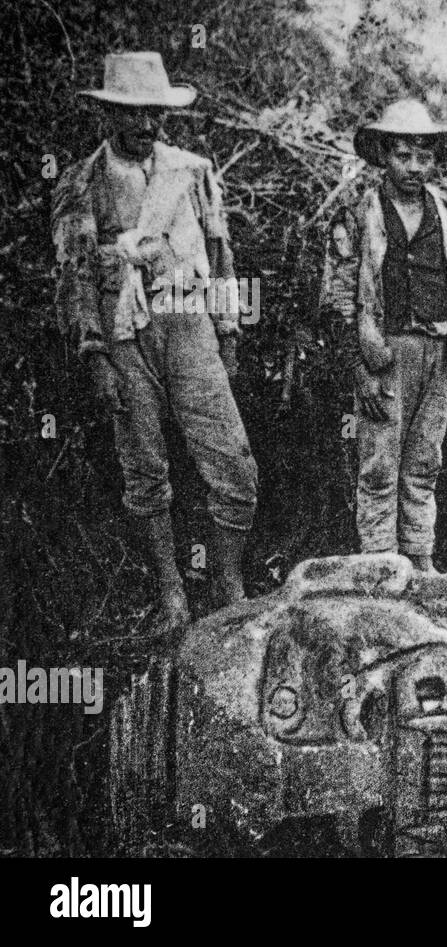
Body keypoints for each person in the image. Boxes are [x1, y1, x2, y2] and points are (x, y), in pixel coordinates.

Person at [52, 52, 257, 637]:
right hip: (125, 334)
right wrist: (94, 355)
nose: (144, 126)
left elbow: (220, 256)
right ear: (108, 114)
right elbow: (75, 276)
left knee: (235, 465)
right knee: (144, 468)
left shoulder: (192, 170)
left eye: (153, 114)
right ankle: (171, 590)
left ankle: (226, 581)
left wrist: (230, 329)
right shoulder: (81, 182)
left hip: (188, 319)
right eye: (131, 114)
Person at [319, 99, 447, 573]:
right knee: (380, 464)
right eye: (403, 155)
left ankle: (420, 559)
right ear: (384, 155)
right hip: (385, 352)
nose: (413, 167)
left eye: (423, 157)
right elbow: (339, 296)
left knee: (425, 461)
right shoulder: (357, 214)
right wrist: (360, 366)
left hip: (438, 350)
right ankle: (381, 563)